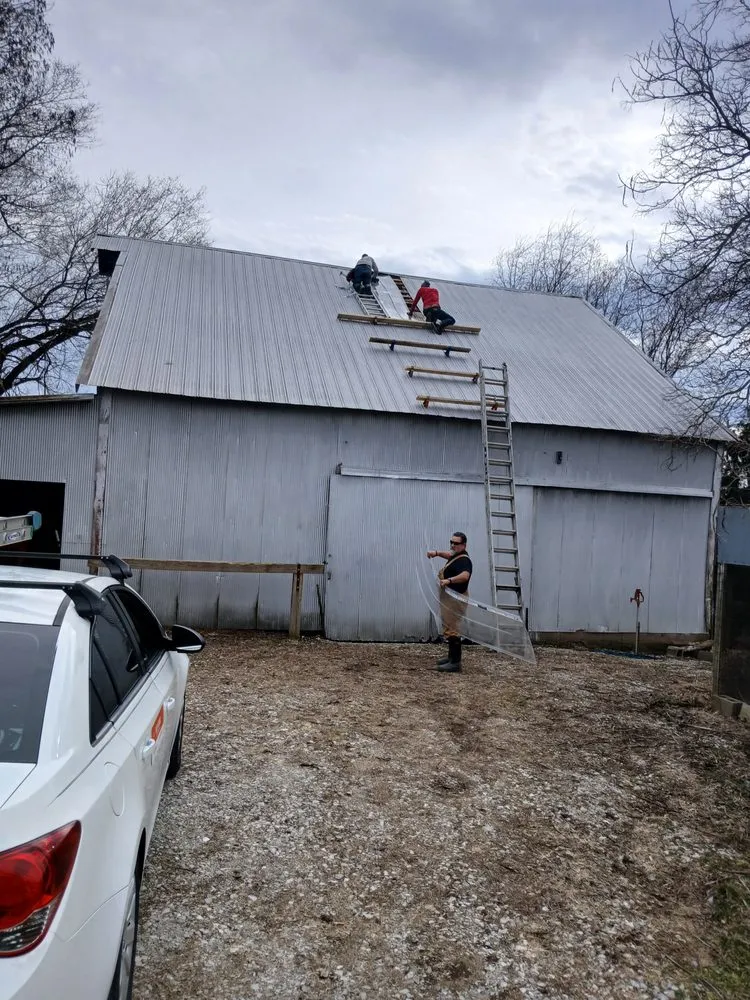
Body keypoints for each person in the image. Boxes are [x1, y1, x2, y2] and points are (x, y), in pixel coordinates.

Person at [427, 532, 473, 672]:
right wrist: (436, 553)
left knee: (453, 628)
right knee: (448, 626)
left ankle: (455, 662)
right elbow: (449, 555)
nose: (453, 545)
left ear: (463, 545)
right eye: (451, 542)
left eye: (456, 543)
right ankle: (450, 658)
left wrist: (449, 580)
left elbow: (465, 575)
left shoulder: (465, 560)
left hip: (456, 598)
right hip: (449, 597)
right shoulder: (457, 555)